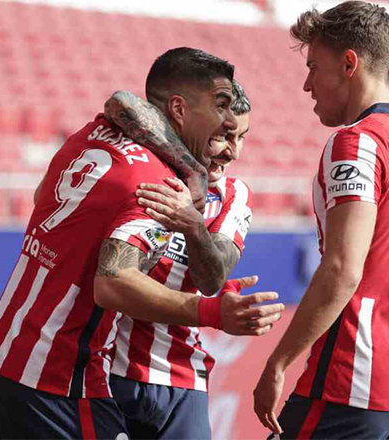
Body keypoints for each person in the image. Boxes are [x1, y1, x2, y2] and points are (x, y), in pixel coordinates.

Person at [0, 47, 283, 440]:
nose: (227, 129)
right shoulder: (161, 183)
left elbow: (42, 197)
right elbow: (113, 282)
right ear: (180, 108)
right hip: (57, 375)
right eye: (220, 111)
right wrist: (213, 313)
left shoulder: (89, 135)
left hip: (0, 357)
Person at [252, 2, 389, 439]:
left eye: (313, 67)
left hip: (354, 381)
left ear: (349, 64)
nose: (306, 84)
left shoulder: (357, 142)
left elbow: (344, 268)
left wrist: (278, 362)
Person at [103, 80, 253, 439]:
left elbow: (210, 279)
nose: (232, 151)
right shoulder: (145, 170)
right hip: (108, 370)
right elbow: (120, 103)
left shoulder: (234, 195)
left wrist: (192, 223)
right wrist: (192, 171)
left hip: (182, 378)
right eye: (223, 135)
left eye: (241, 138)